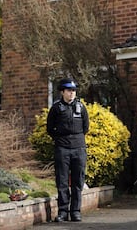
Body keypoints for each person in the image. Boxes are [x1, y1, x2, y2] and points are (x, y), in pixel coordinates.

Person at [47, 78, 89, 222]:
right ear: (62, 92)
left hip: (79, 148)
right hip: (62, 148)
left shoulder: (81, 107)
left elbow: (85, 127)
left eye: (73, 91)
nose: (72, 93)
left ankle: (76, 212)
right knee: (62, 181)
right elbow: (50, 128)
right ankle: (63, 212)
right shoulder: (56, 108)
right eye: (69, 91)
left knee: (78, 181)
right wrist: (60, 139)